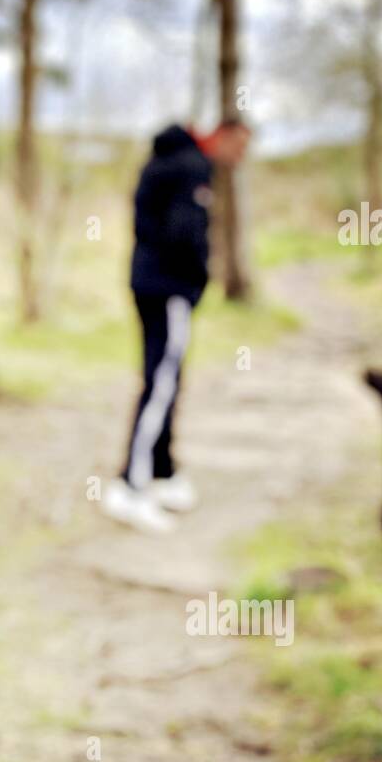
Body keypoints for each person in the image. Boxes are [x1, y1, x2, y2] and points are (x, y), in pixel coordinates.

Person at [102, 118, 251, 534]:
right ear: (222, 136)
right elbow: (183, 232)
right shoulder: (191, 168)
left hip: (151, 283)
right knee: (161, 383)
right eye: (238, 148)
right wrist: (199, 278)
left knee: (167, 377)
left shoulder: (165, 162)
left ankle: (163, 473)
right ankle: (130, 485)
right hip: (168, 289)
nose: (239, 159)